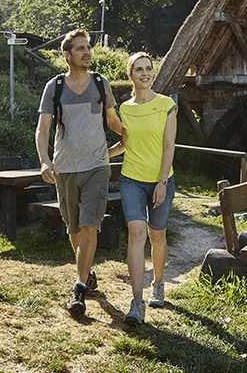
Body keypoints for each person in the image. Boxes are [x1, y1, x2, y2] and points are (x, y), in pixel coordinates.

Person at [36, 29, 122, 317]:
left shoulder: (100, 83)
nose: (87, 52)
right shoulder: (55, 87)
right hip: (65, 168)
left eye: (88, 47)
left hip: (97, 166)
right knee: (73, 228)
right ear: (67, 54)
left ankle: (79, 289)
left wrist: (132, 136)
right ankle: (86, 273)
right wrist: (45, 161)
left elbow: (112, 120)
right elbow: (43, 129)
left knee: (89, 226)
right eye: (80, 48)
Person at [109, 52, 176, 326]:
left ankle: (158, 283)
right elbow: (125, 144)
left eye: (148, 68)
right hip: (132, 179)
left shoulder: (166, 104)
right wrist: (101, 155)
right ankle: (137, 302)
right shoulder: (125, 109)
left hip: (161, 180)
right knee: (137, 232)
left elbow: (169, 147)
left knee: (156, 235)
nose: (145, 73)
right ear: (131, 75)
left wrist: (162, 182)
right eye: (139, 69)